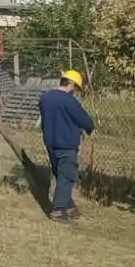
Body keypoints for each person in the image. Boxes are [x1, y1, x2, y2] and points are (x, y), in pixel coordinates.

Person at [39, 69, 95, 221]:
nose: (75, 91)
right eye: (76, 87)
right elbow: (85, 121)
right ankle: (59, 210)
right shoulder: (70, 101)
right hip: (67, 143)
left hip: (50, 142)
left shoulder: (45, 97)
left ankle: (69, 207)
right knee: (67, 176)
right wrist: (90, 127)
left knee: (61, 174)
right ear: (71, 84)